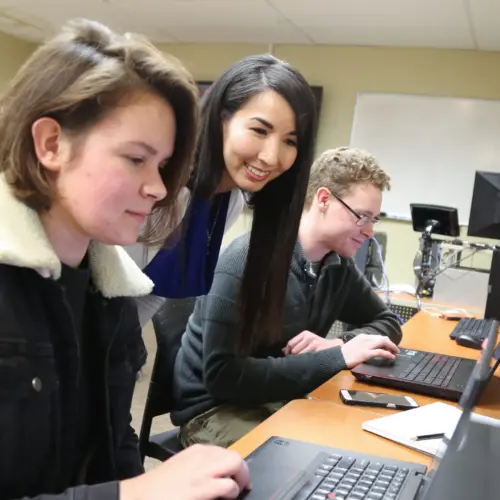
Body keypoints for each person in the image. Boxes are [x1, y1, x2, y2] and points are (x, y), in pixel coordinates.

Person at [0, 18, 250, 500]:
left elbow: (111, 455)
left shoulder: (110, 294)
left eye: (161, 165)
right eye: (136, 159)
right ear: (51, 144)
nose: (158, 188)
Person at [171, 147, 403, 448]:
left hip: (277, 400)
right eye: (362, 217)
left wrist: (339, 344)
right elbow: (223, 377)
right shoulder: (246, 261)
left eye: (375, 219)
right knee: (310, 468)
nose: (369, 231)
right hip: (215, 410)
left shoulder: (336, 265)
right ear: (323, 200)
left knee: (357, 445)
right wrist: (336, 358)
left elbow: (387, 321)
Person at [128, 53, 319, 327]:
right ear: (221, 120)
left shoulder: (229, 202)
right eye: (260, 131)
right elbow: (107, 287)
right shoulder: (163, 190)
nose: (271, 157)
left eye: (290, 141)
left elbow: (152, 292)